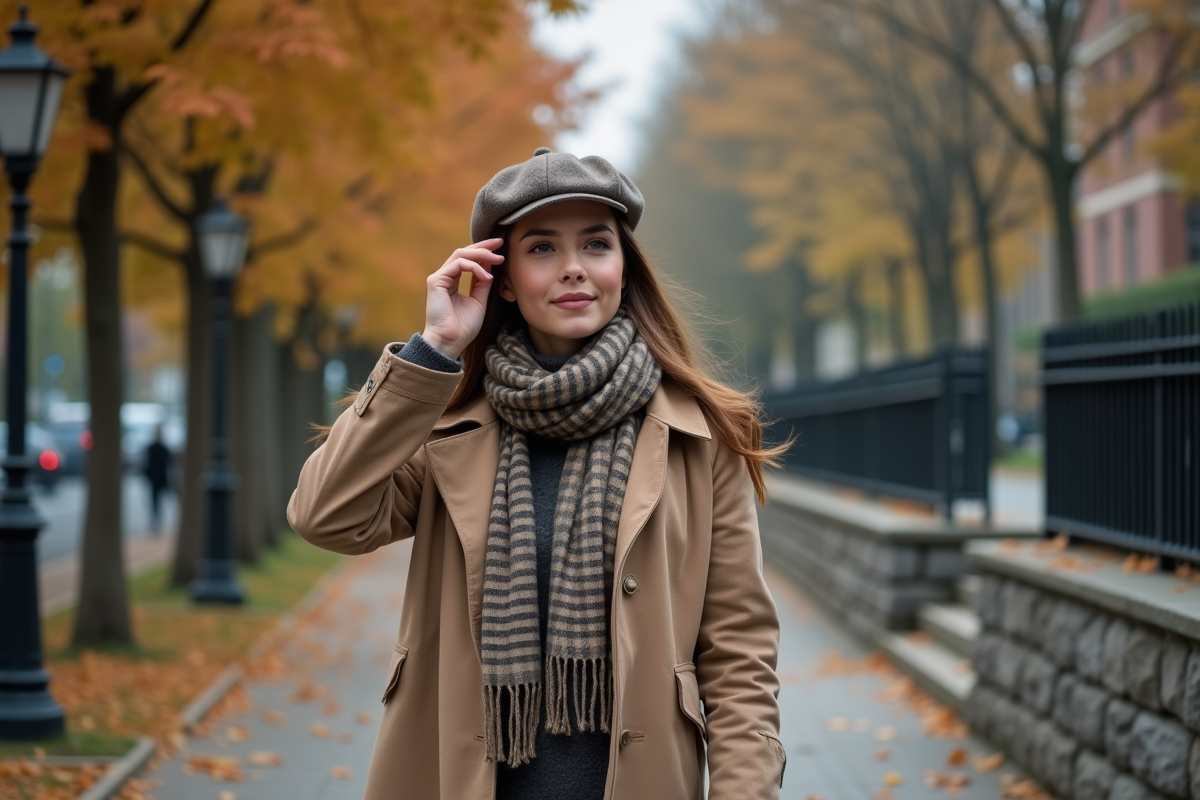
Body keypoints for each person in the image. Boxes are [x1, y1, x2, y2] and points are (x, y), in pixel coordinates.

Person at [288, 148, 789, 800]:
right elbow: (325, 515)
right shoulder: (446, 430)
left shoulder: (700, 435)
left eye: (596, 245)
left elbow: (740, 654)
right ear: (503, 276)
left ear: (623, 268)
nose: (575, 268)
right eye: (543, 249)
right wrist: (433, 350)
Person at [144, 425, 172, 534]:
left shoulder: (165, 449)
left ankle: (159, 521)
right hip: (154, 479)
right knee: (153, 501)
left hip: (161, 479)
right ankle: (154, 521)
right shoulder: (151, 448)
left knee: (160, 501)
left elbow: (169, 464)